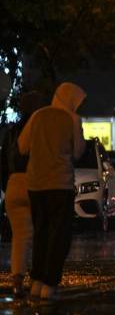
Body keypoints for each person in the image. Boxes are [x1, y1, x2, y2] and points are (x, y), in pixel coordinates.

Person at [18, 82, 86, 300]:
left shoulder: (37, 115)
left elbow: (22, 146)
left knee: (41, 233)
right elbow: (77, 152)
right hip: (61, 185)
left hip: (35, 185)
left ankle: (36, 280)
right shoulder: (73, 120)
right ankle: (49, 283)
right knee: (59, 237)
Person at [1, 92, 45, 297]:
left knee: (20, 236)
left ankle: (17, 280)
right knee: (39, 234)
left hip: (13, 184)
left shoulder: (11, 132)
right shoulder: (40, 127)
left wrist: (7, 184)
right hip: (35, 182)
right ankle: (37, 280)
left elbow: (2, 162)